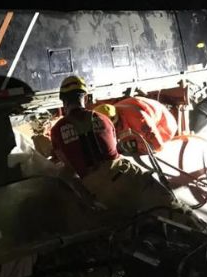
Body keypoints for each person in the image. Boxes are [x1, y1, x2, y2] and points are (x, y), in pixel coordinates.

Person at [50, 76, 187, 219]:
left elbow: (66, 166)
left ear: (64, 101)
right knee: (173, 209)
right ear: (85, 97)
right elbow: (113, 146)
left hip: (98, 188)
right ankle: (200, 232)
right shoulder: (103, 118)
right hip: (126, 174)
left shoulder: (57, 130)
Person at [93, 97, 178, 154]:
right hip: (142, 109)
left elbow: (157, 144)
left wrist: (139, 148)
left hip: (164, 125)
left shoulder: (138, 118)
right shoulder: (106, 113)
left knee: (148, 147)